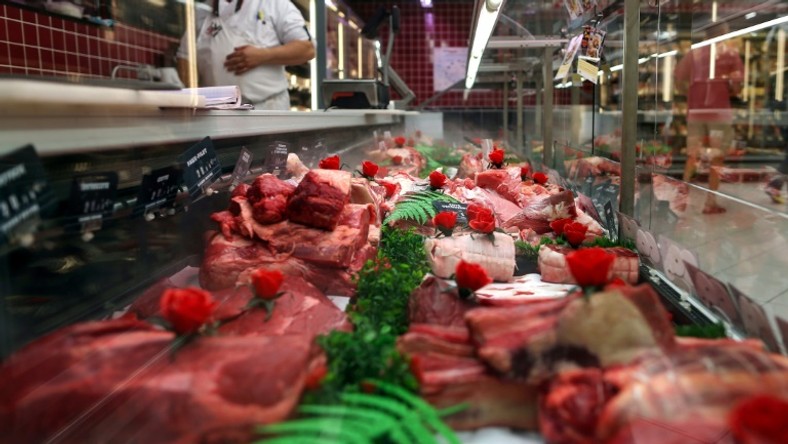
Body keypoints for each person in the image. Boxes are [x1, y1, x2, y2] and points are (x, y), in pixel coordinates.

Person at [177, 0, 315, 110]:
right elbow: (185, 56)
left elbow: (306, 49)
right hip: (215, 113)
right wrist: (191, 99)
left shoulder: (276, 4)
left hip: (266, 109)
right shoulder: (203, 10)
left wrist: (263, 56)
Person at [674, 22, 744, 214]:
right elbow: (737, 86)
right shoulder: (729, 53)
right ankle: (710, 202)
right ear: (722, 33)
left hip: (696, 112)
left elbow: (678, 76)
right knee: (717, 157)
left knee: (693, 155)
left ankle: (683, 197)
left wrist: (691, 95)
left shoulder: (694, 53)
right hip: (719, 112)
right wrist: (727, 88)